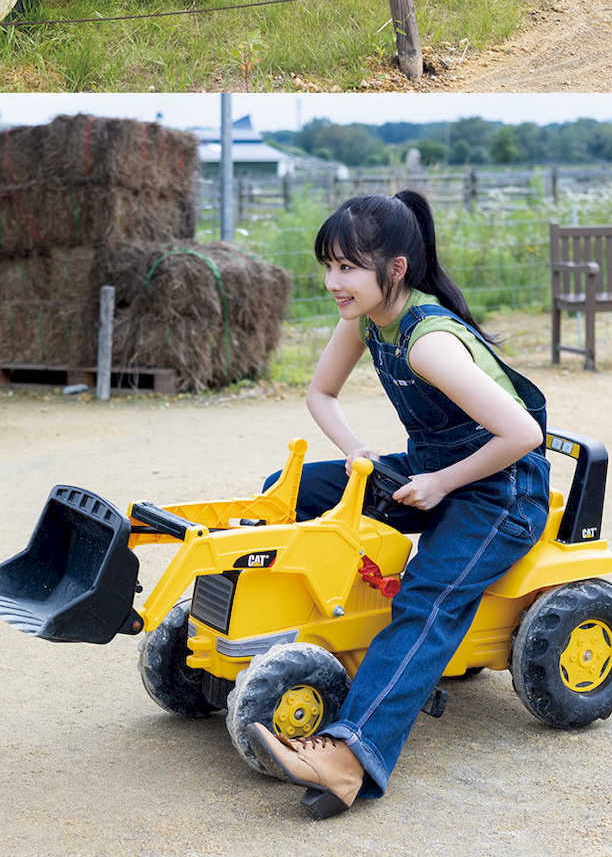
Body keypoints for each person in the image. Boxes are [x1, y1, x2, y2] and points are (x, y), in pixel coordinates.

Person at [248, 191, 550, 818]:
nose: (333, 282)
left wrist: (441, 484)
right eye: (328, 266)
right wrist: (357, 453)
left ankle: (350, 758)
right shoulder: (365, 319)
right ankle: (266, 635)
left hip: (503, 489)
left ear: (395, 268)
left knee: (426, 599)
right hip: (433, 469)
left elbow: (523, 434)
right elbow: (322, 393)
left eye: (347, 267)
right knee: (294, 488)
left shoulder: (427, 342)